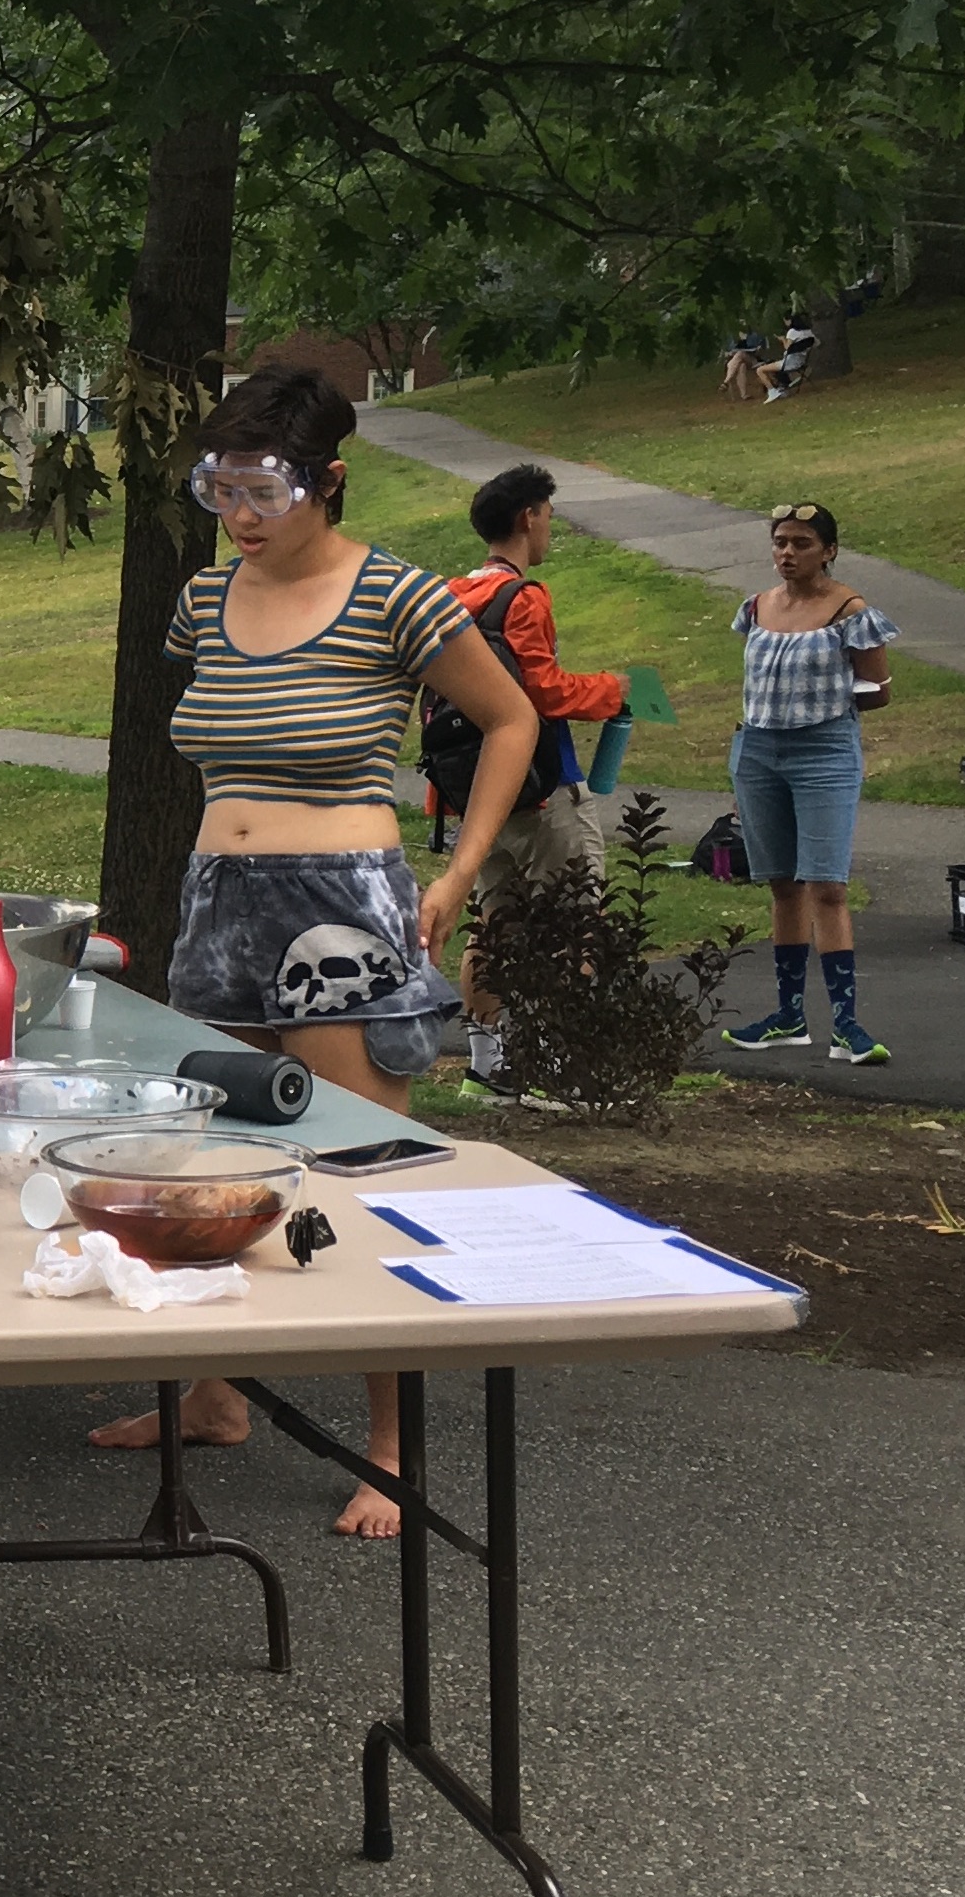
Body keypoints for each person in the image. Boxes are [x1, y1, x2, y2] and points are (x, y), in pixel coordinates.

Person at [88, 364, 537, 1539]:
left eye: (263, 488)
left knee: (356, 1168)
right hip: (216, 896)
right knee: (213, 1165)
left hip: (340, 903)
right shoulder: (203, 598)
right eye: (220, 487)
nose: (238, 512)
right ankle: (217, 1393)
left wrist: (456, 872)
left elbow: (511, 719)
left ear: (328, 482)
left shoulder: (399, 595)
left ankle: (390, 1445)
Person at [438, 464, 627, 1090]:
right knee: (576, 925)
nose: (550, 527)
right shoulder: (523, 598)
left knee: (494, 925)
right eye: (547, 514)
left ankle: (484, 1068)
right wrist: (611, 689)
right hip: (546, 788)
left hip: (478, 797)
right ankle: (553, 1065)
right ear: (528, 518)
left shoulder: (451, 595)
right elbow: (544, 690)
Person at [718, 501, 897, 1062]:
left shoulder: (849, 610)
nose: (787, 554)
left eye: (801, 543)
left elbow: (879, 688)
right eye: (780, 543)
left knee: (827, 884)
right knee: (781, 884)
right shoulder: (756, 607)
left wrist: (826, 700)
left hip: (822, 749)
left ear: (829, 550)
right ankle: (788, 1016)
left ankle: (846, 1023)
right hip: (758, 748)